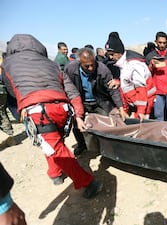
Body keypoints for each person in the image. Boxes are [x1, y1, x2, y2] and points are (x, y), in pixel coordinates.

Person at [2, 34, 102, 199]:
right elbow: (71, 91)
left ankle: (88, 182)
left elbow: (12, 91)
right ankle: (55, 172)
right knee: (53, 144)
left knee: (56, 149)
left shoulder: (7, 65)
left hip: (37, 112)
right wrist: (78, 115)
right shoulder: (52, 64)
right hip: (62, 109)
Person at [64, 47, 128, 155]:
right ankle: (81, 145)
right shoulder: (70, 69)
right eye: (86, 66)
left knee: (107, 121)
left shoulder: (102, 69)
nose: (90, 68)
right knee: (78, 125)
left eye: (92, 64)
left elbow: (112, 89)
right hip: (80, 101)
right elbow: (67, 87)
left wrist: (121, 108)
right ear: (79, 63)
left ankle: (107, 147)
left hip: (99, 101)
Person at [105, 32, 156, 120]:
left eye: (112, 54)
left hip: (144, 104)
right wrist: (119, 82)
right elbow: (128, 81)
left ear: (119, 52)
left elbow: (141, 88)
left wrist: (141, 111)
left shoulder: (133, 64)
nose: (110, 57)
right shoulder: (123, 64)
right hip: (136, 103)